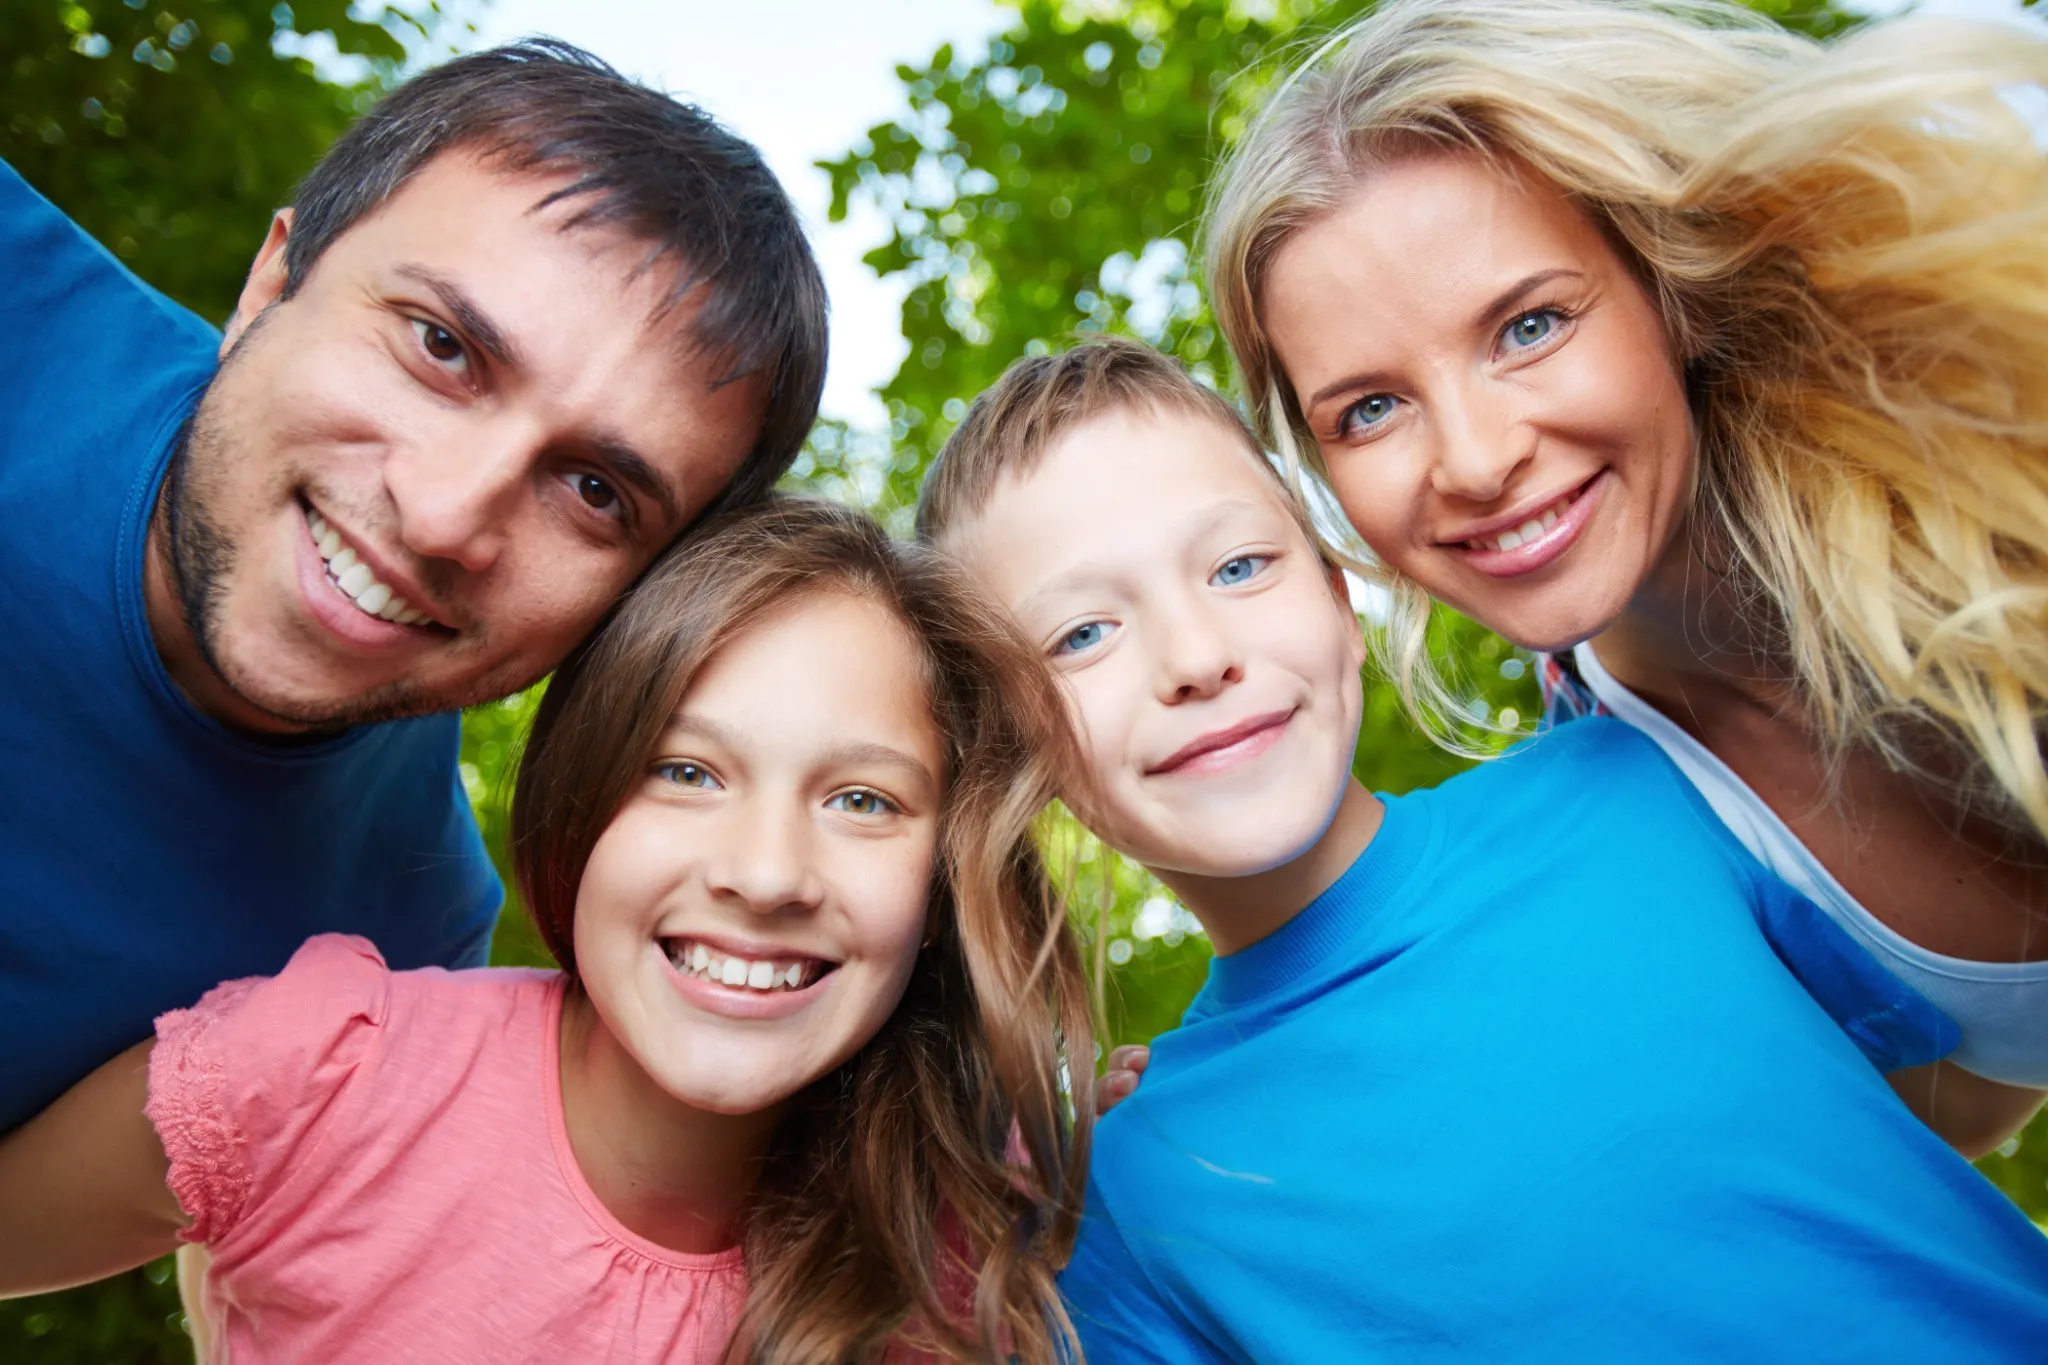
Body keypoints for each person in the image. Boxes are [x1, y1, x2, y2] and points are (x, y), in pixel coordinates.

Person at [919, 337, 2048, 1363]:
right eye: (1080, 636)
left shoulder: (1642, 786)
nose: (1194, 654)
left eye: (1236, 568)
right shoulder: (1126, 1204)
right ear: (1014, 747)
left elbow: (1951, 1082)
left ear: (1335, 590)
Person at [1200, 0, 2048, 1154]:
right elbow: (1966, 1091)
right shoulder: (1617, 835)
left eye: (1529, 326)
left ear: (1671, 288)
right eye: (1370, 408)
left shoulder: (1994, 453)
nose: (1475, 458)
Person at [0, 498, 1093, 1364]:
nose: (764, 874)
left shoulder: (965, 1252)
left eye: (862, 800)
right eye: (684, 771)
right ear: (582, 795)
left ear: (945, 875)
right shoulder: (321, 1073)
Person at [0, 39, 826, 1134]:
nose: (443, 517)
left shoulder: (396, 948)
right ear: (271, 283)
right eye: (440, 348)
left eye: (591, 489)